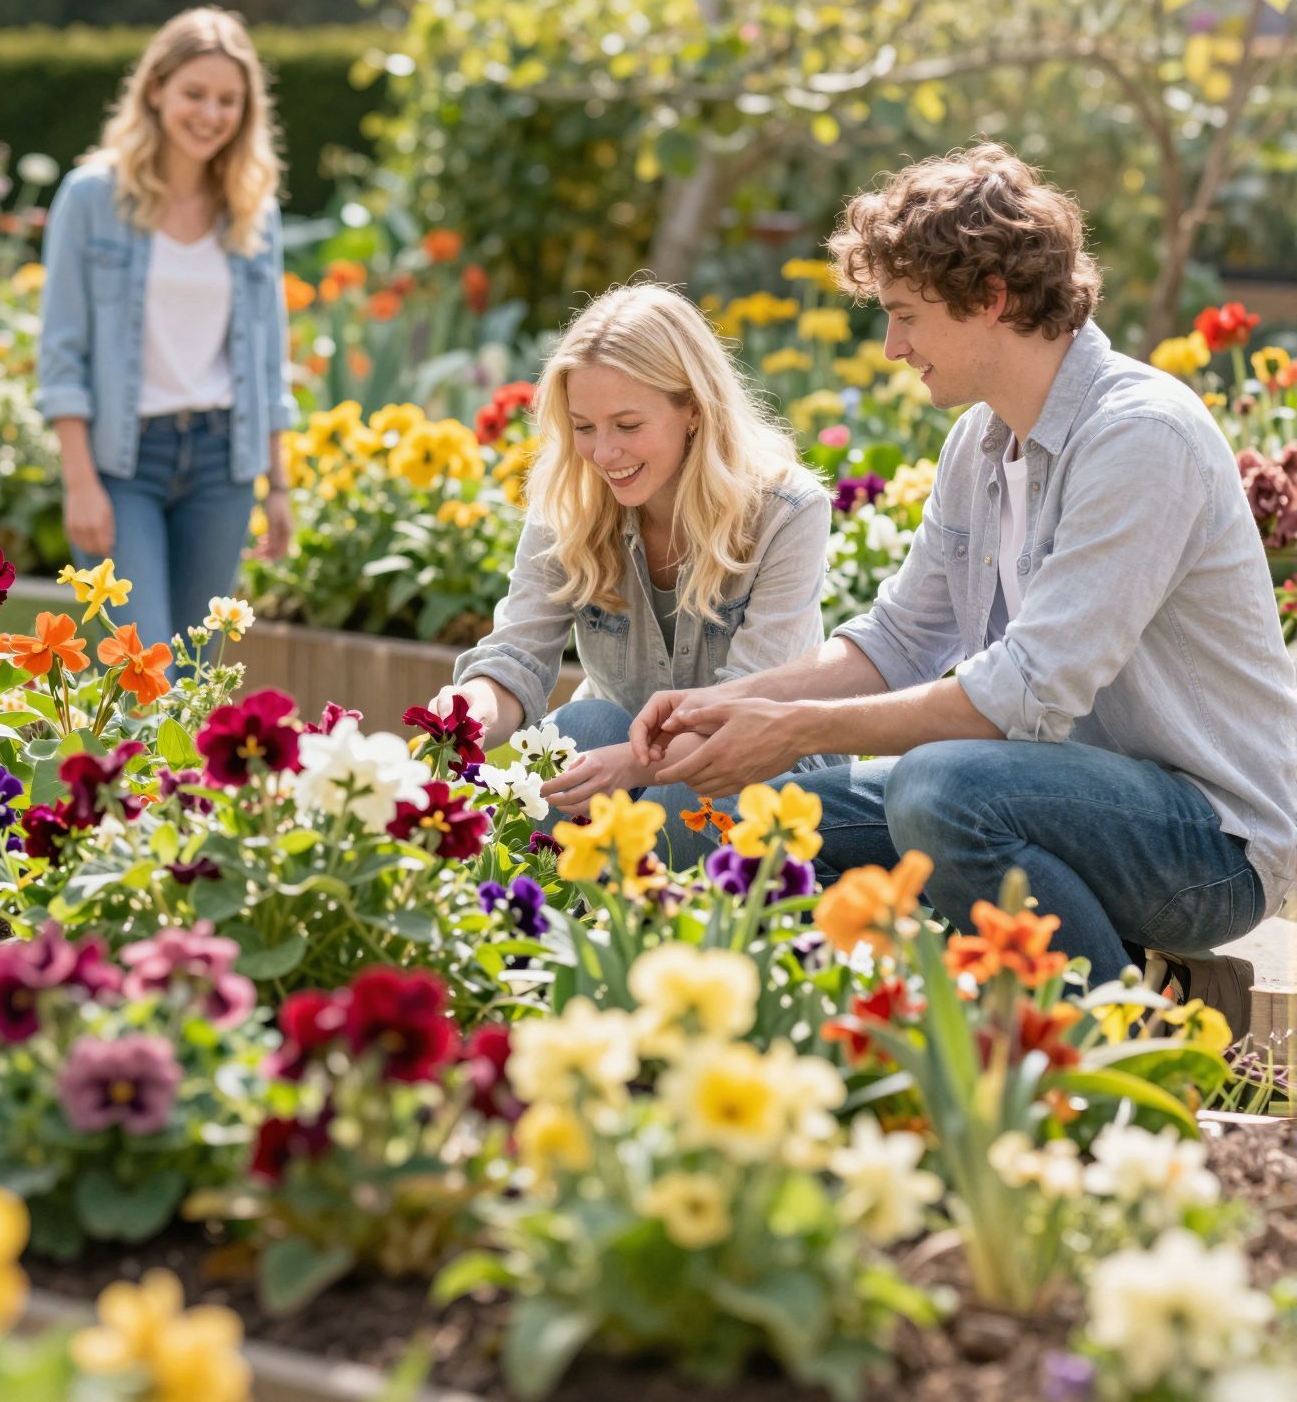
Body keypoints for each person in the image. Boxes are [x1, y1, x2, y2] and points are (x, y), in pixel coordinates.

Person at [631, 143, 1297, 1029]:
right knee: (736, 823)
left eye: (905, 314)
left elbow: (1025, 692)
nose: (892, 345)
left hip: (1208, 841)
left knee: (938, 793)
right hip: (1054, 795)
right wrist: (721, 708)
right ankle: (856, 1053)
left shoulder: (1141, 435)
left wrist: (793, 728)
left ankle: (1115, 1055)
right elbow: (900, 640)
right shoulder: (981, 442)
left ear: (991, 297)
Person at [429, 281, 831, 853]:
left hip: (761, 772)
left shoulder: (786, 512)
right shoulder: (572, 505)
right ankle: (565, 931)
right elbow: (516, 656)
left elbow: (745, 708)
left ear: (692, 408)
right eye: (584, 427)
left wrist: (634, 766)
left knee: (685, 795)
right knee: (578, 731)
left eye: (628, 425)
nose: (602, 453)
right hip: (620, 760)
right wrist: (466, 713)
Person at [37, 7, 296, 654]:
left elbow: (268, 360)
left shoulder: (250, 207)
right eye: (195, 94)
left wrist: (280, 486)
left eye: (228, 101)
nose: (210, 114)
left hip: (221, 465)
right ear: (155, 89)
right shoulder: (91, 198)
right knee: (139, 674)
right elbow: (61, 352)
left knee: (194, 674)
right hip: (123, 465)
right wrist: (79, 484)